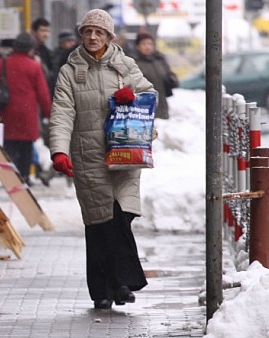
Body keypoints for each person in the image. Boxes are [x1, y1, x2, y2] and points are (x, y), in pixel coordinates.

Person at [48, 9, 156, 310]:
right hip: (88, 158)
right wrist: (59, 150)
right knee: (99, 224)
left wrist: (132, 96)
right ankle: (105, 290)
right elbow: (61, 113)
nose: (93, 37)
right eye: (87, 32)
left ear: (110, 37)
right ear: (81, 35)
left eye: (99, 32)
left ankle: (121, 282)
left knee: (122, 216)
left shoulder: (126, 66)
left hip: (125, 155)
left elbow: (150, 97)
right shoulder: (69, 72)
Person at [0, 32, 52, 186]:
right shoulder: (34, 66)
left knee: (9, 145)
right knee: (26, 148)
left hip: (9, 111)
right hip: (27, 113)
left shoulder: (4, 63)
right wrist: (48, 112)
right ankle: (24, 177)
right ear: (30, 48)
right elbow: (43, 93)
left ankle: (10, 178)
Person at [134, 32, 178, 119]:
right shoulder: (133, 62)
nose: (147, 46)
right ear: (137, 46)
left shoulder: (159, 59)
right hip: (143, 109)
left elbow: (170, 75)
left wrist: (172, 79)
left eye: (150, 43)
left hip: (162, 107)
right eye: (144, 44)